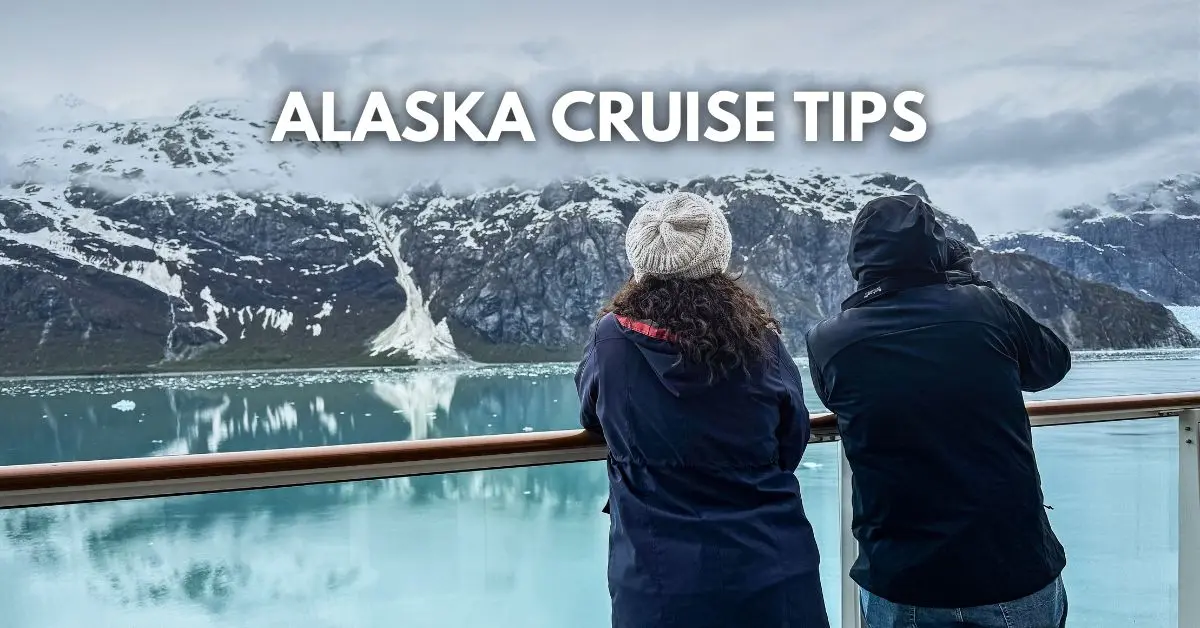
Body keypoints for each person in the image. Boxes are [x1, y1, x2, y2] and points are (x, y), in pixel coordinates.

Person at [805, 195, 1071, 628]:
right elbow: (1051, 365)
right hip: (1013, 566)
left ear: (858, 259)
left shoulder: (828, 341)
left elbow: (840, 398)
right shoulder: (985, 308)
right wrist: (969, 283)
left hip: (902, 577)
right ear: (937, 249)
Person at [575, 191, 830, 628]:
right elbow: (792, 435)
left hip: (658, 582)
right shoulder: (759, 340)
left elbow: (591, 415)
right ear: (717, 257)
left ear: (641, 263)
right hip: (771, 566)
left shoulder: (611, 341)